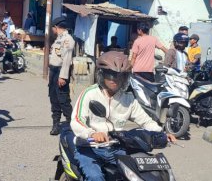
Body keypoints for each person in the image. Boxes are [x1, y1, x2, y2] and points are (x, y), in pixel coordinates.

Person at [71, 51, 176, 181]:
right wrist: (91, 133)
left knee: (136, 173)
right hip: (89, 148)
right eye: (111, 74)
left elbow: (146, 121)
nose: (115, 79)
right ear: (101, 74)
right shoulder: (89, 94)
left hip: (116, 148)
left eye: (120, 76)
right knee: (95, 177)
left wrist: (162, 133)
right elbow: (76, 120)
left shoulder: (128, 99)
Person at [48, 17, 75, 136]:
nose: (52, 30)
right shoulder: (58, 39)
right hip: (53, 71)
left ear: (56, 27)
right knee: (53, 98)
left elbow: (67, 59)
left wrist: (63, 77)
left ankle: (74, 125)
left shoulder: (68, 39)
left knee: (63, 100)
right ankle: (56, 124)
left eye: (53, 28)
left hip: (61, 72)